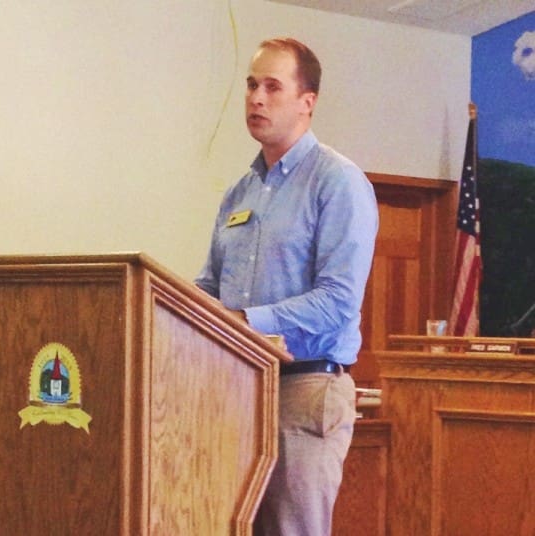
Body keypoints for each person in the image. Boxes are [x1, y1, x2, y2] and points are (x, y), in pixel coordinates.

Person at [195, 37, 379, 535]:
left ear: (307, 102)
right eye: (252, 85)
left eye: (272, 86)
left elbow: (339, 301)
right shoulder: (240, 191)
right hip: (235, 389)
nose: (256, 98)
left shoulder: (337, 183)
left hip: (306, 387)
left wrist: (245, 323)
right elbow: (211, 286)